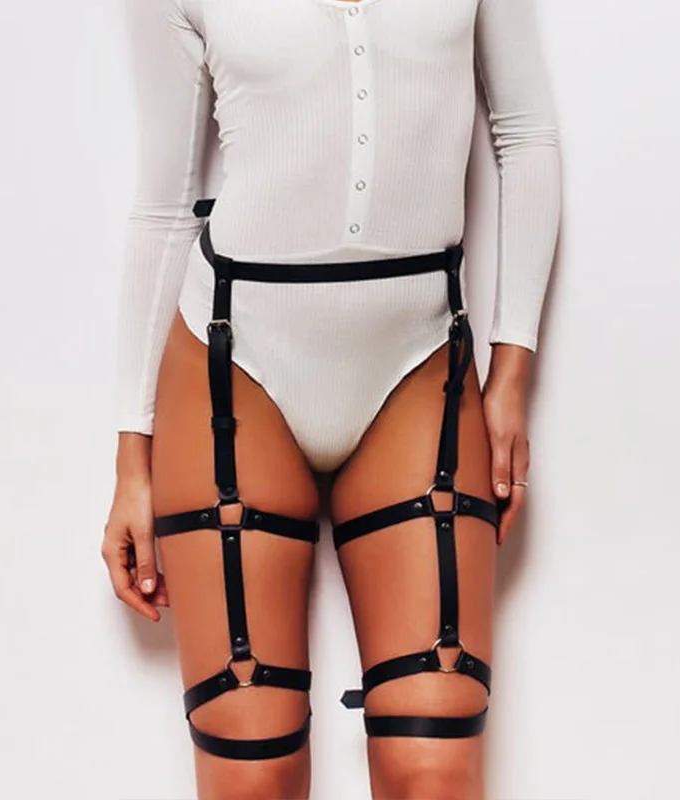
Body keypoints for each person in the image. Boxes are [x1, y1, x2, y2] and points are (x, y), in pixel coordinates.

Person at [101, 0, 561, 796]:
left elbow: (526, 136)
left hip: (420, 367)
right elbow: (165, 205)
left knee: (434, 770)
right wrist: (131, 461)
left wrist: (511, 372)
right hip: (232, 371)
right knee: (253, 778)